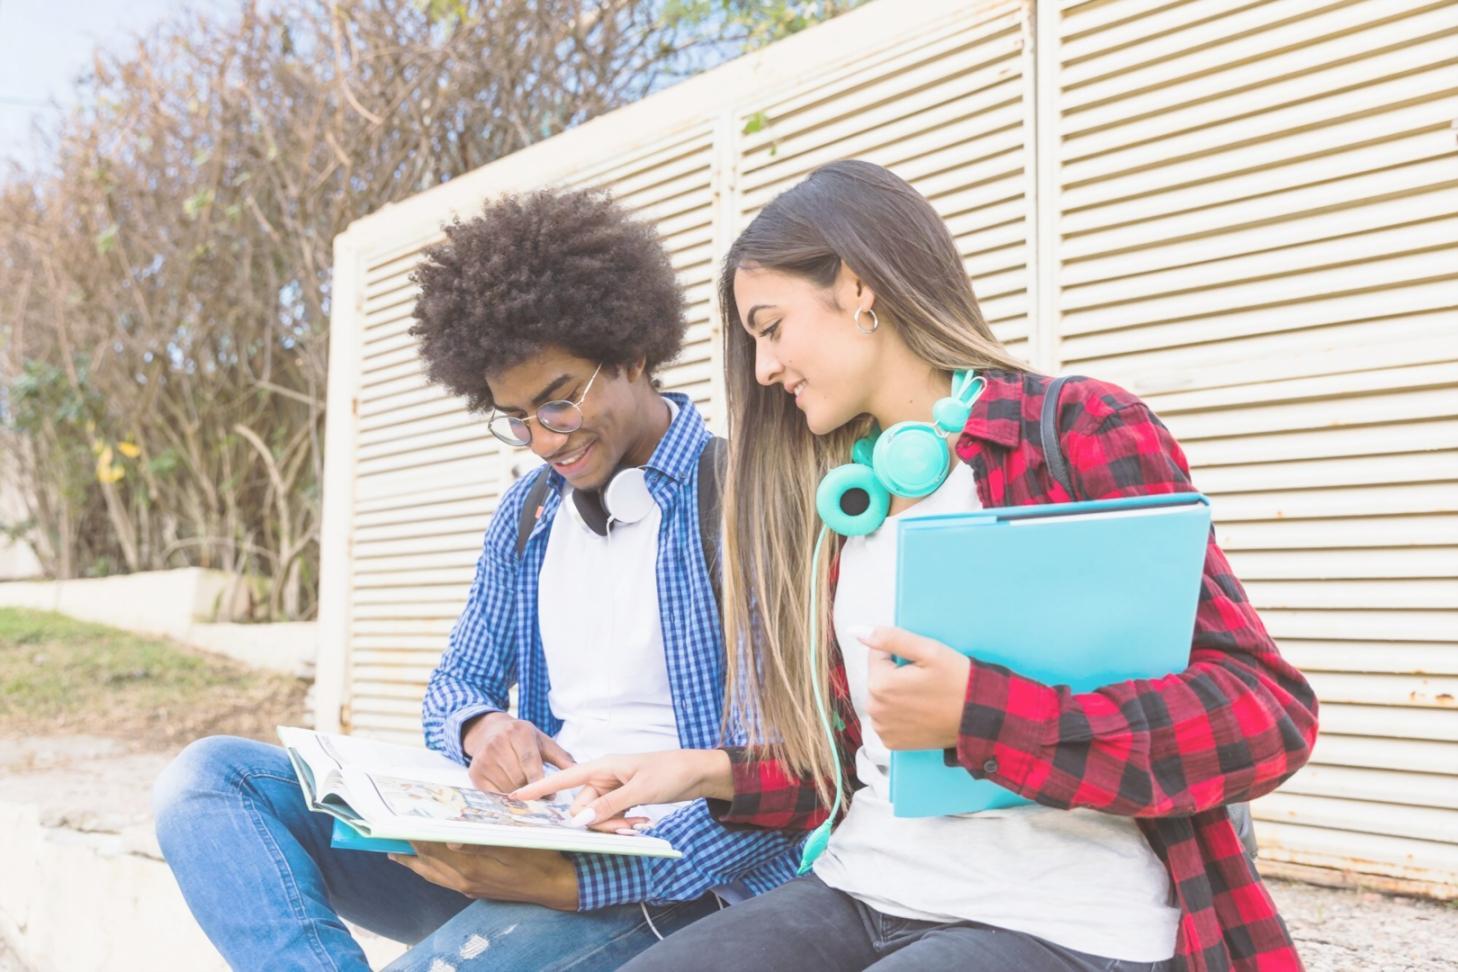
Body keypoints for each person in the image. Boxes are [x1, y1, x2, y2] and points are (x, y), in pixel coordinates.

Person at [517, 160, 1320, 970]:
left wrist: (978, 712)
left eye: (771, 327)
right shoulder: (851, 498)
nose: (762, 370)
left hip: (1064, 915)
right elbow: (850, 764)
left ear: (858, 288)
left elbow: (1265, 715)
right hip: (866, 885)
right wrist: (692, 771)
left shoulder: (1077, 431)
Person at [151, 187, 800, 971]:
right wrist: (481, 729)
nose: (540, 440)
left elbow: (788, 779)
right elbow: (456, 684)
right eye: (514, 416)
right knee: (211, 782)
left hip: (671, 885)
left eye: (558, 403)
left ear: (632, 352)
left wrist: (577, 876)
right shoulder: (528, 514)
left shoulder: (746, 501)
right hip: (526, 841)